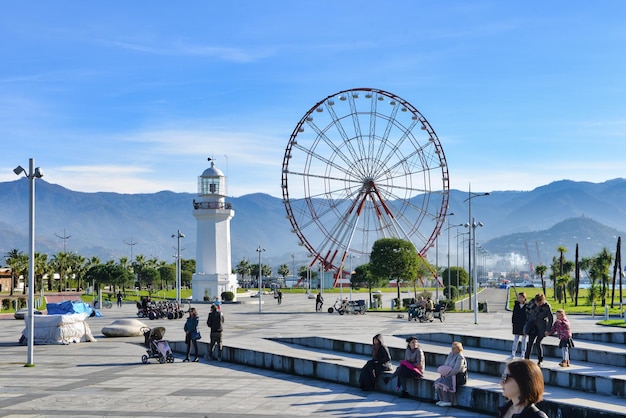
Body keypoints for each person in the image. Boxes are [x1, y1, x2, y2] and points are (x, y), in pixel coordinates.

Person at [434, 341, 467, 407]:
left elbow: (456, 369)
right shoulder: (451, 354)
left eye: (454, 348)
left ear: (459, 349)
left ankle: (447, 401)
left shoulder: (460, 357)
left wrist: (447, 374)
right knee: (437, 382)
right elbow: (446, 364)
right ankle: (442, 399)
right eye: (452, 348)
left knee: (443, 382)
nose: (452, 349)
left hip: (458, 376)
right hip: (449, 374)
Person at [524, 293, 553, 367]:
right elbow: (526, 310)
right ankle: (526, 359)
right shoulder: (532, 302)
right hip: (532, 325)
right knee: (529, 343)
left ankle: (540, 360)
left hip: (542, 326)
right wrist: (529, 319)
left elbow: (550, 318)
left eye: (540, 303)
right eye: (537, 302)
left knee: (538, 342)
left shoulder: (547, 306)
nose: (538, 304)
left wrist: (548, 330)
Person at [509, 292, 528, 359]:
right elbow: (514, 315)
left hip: (524, 325)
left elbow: (528, 316)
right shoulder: (516, 305)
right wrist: (513, 323)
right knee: (516, 339)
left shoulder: (527, 306)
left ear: (524, 298)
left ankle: (523, 354)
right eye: (518, 297)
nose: (519, 299)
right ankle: (513, 353)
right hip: (517, 324)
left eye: (520, 297)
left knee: (524, 340)